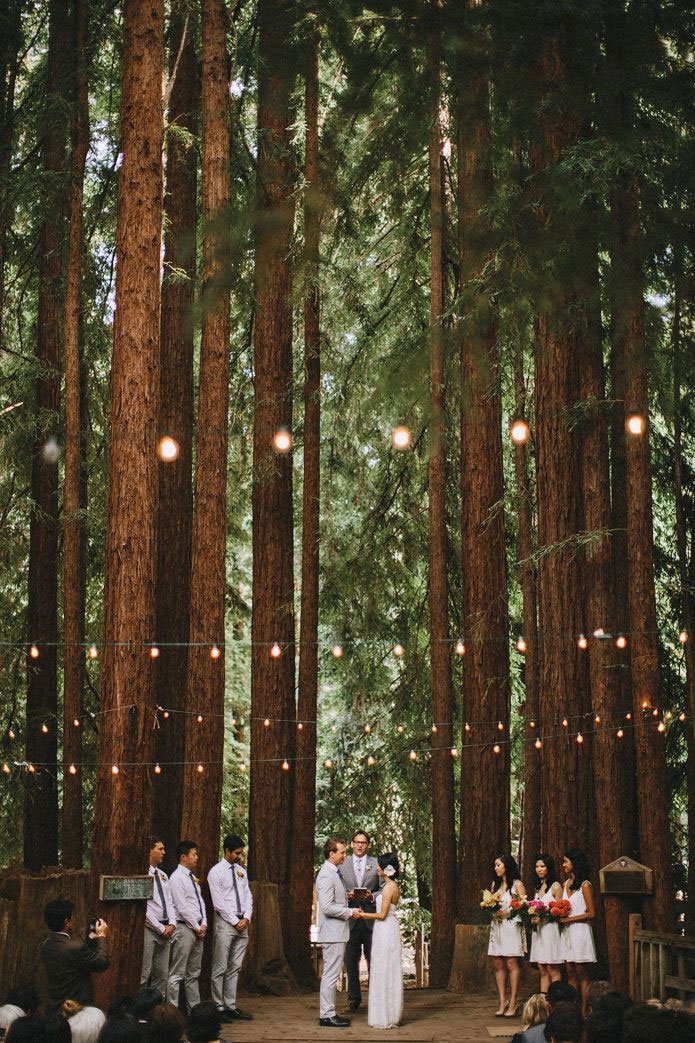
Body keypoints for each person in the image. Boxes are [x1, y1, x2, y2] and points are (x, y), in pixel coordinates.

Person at [207, 832, 253, 1022]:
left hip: (243, 923)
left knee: (235, 967)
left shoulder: (241, 871)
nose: (239, 856)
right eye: (236, 853)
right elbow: (218, 902)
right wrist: (235, 921)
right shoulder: (216, 872)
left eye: (241, 853)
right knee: (220, 966)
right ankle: (218, 1006)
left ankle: (230, 1005)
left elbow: (248, 895)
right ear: (227, 851)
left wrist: (247, 918)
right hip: (226, 923)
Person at [354, 852, 403, 1029]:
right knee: (382, 967)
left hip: (386, 928)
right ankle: (386, 1012)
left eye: (380, 865)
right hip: (385, 929)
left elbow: (382, 915)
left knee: (384, 968)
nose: (377, 868)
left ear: (386, 869)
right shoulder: (389, 885)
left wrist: (362, 914)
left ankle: (385, 1015)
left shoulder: (390, 888)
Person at [315, 837, 360, 1028]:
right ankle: (326, 1015)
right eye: (342, 852)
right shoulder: (326, 874)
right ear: (331, 854)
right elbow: (326, 907)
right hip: (332, 933)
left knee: (332, 973)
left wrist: (346, 896)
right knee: (331, 974)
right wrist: (350, 912)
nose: (345, 855)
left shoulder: (334, 872)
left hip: (337, 932)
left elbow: (334, 898)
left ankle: (329, 1012)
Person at [40, 898, 109, 1009]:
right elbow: (102, 963)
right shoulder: (75, 948)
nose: (75, 920)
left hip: (56, 1006)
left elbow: (76, 960)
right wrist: (102, 936)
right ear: (67, 923)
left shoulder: (46, 945)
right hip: (74, 1008)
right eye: (73, 917)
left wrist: (91, 938)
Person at [340, 830, 380, 1012]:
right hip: (350, 920)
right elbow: (335, 887)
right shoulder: (343, 864)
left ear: (368, 845)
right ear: (351, 844)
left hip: (371, 920)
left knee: (374, 960)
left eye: (363, 842)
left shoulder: (376, 863)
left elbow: (385, 887)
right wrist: (345, 895)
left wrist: (373, 897)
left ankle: (376, 1000)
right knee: (350, 960)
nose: (360, 845)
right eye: (357, 842)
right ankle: (353, 999)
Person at [166, 840, 207, 1011]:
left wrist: (203, 923)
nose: (197, 858)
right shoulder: (176, 878)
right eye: (194, 854)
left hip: (198, 929)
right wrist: (196, 928)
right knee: (177, 973)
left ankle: (195, 1011)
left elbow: (200, 902)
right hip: (184, 929)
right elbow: (181, 907)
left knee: (193, 974)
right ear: (183, 857)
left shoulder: (192, 878)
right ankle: (172, 1011)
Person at [487, 853, 526, 1018]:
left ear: (507, 866)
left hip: (511, 925)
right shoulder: (494, 885)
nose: (496, 868)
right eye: (495, 865)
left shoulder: (517, 884)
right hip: (497, 926)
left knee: (511, 962)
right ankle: (502, 1001)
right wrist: (491, 909)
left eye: (498, 865)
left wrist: (509, 911)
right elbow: (489, 903)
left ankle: (514, 1000)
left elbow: (525, 906)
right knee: (497, 963)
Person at [560, 848, 596, 1015]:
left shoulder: (585, 885)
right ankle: (572, 1007)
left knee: (582, 972)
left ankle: (584, 1009)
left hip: (581, 932)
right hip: (567, 933)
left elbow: (591, 913)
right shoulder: (565, 884)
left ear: (575, 863)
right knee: (570, 971)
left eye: (566, 861)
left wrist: (568, 920)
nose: (563, 865)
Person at [141, 837, 176, 999]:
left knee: (162, 975)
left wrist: (172, 924)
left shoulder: (163, 875)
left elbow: (169, 901)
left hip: (166, 929)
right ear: (149, 851)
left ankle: (159, 1012)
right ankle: (140, 1012)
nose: (164, 852)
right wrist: (160, 928)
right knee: (144, 973)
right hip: (150, 929)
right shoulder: (142, 874)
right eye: (160, 849)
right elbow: (144, 907)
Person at [528, 853, 563, 992]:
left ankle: (557, 1002)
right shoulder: (538, 886)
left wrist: (544, 917)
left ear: (549, 868)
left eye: (542, 866)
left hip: (550, 931)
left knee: (552, 968)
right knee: (542, 969)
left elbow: (560, 911)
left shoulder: (555, 886)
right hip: (539, 931)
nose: (539, 869)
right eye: (537, 866)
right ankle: (543, 1003)